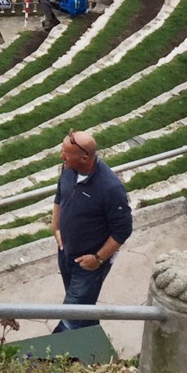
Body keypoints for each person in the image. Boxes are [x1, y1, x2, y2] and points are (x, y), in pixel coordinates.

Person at [52, 128, 132, 331]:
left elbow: (123, 230)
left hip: (88, 264)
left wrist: (97, 259)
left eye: (66, 154)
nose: (62, 157)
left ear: (85, 157)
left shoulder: (111, 188)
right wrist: (56, 226)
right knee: (82, 308)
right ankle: (93, 343)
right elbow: (60, 194)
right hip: (66, 252)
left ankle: (40, 360)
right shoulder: (68, 168)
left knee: (70, 317)